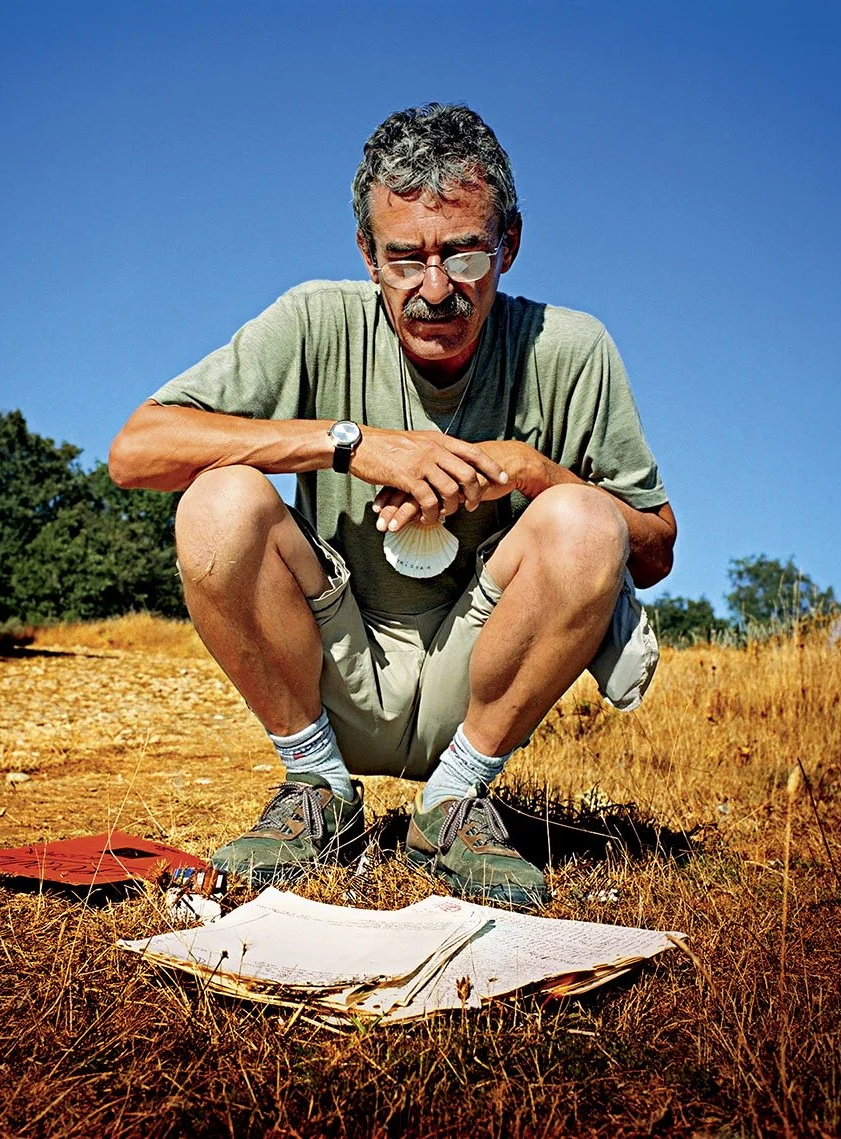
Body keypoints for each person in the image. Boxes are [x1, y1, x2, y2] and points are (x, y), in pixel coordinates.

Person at [109, 103, 676, 906]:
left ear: (509, 244)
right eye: (405, 257)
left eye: (465, 254)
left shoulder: (571, 348)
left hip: (478, 674)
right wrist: (349, 442)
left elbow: (653, 550)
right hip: (333, 660)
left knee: (585, 518)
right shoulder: (314, 318)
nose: (435, 289)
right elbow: (136, 451)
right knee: (218, 502)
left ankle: (455, 802)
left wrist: (530, 470)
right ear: (368, 255)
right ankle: (316, 789)